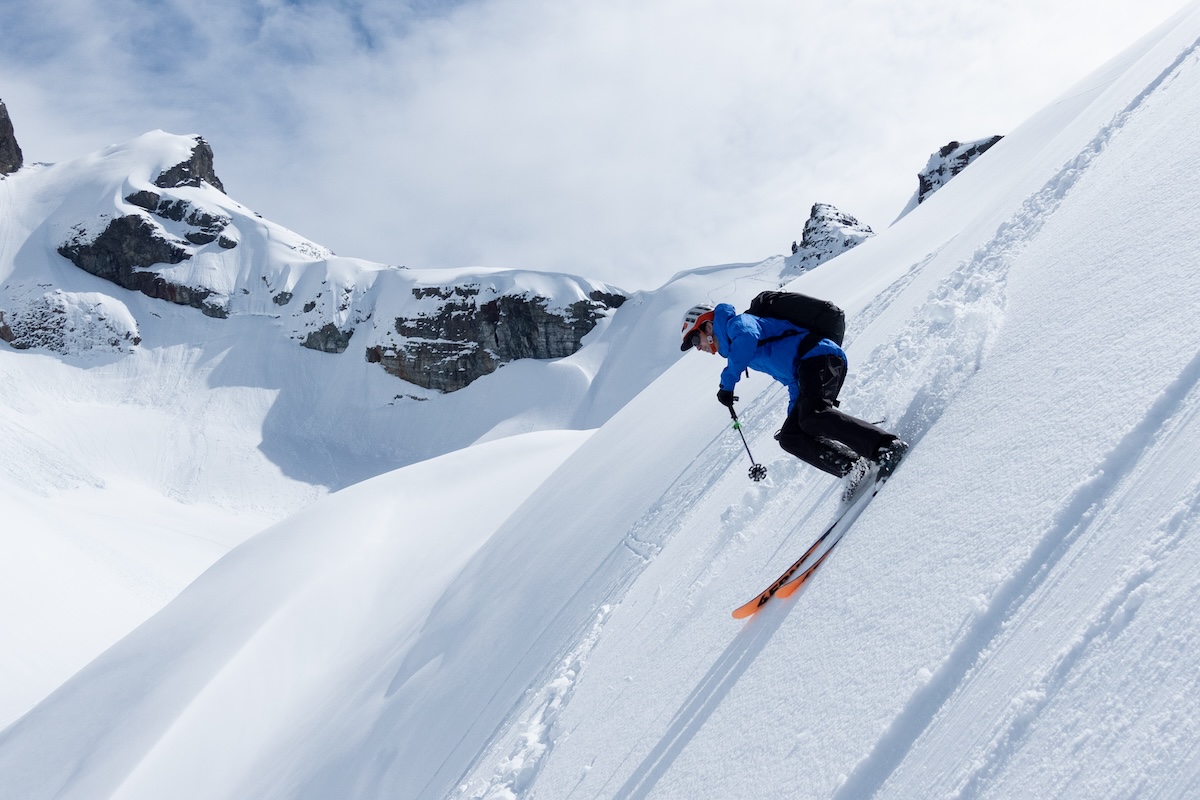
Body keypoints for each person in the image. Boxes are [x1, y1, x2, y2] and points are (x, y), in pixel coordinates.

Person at [680, 302, 907, 479]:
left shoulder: (738, 324)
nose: (698, 347)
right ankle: (853, 467)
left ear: (708, 326)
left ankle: (886, 446)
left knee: (813, 416)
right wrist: (794, 415)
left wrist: (727, 384)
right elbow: (792, 381)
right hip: (807, 368)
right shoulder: (742, 351)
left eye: (695, 339)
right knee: (791, 436)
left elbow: (748, 338)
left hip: (820, 357)